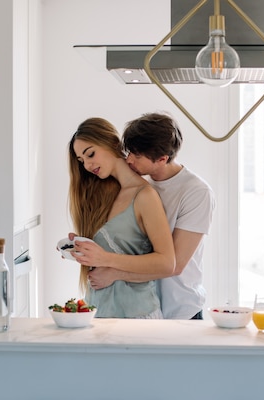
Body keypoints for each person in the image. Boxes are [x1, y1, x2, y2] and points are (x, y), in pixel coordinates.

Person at [88, 112, 215, 320]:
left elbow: (175, 265)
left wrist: (114, 273)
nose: (128, 159)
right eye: (129, 152)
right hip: (142, 306)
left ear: (162, 159)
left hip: (180, 310)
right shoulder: (137, 184)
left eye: (137, 156)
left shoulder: (196, 192)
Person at [67, 117, 175, 319]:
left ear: (113, 143)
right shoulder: (100, 196)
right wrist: (82, 249)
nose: (88, 165)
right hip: (97, 313)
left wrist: (105, 259)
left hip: (137, 317)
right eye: (81, 161)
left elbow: (167, 263)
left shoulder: (145, 195)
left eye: (90, 154)